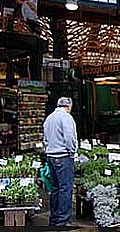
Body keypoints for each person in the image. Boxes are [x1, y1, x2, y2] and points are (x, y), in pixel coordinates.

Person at [43, 97, 78, 226]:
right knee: (66, 188)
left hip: (51, 156)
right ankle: (63, 221)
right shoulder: (66, 118)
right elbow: (70, 137)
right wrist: (72, 152)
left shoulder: (49, 118)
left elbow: (45, 139)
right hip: (63, 156)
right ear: (69, 106)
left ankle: (54, 218)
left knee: (55, 188)